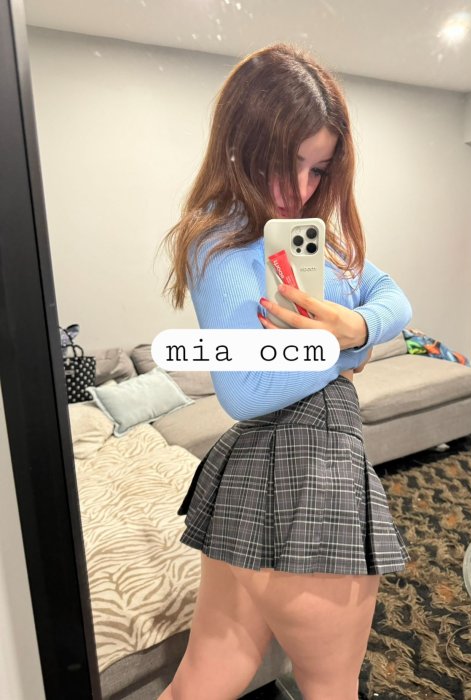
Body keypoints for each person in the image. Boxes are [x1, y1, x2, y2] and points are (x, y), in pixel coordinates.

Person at [158, 43, 412, 700]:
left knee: (204, 680)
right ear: (238, 145)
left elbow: (395, 300)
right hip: (312, 478)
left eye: (317, 169)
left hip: (252, 481)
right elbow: (244, 390)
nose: (299, 188)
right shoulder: (221, 242)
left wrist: (356, 327)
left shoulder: (316, 238)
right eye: (283, 163)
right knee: (331, 689)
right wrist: (346, 352)